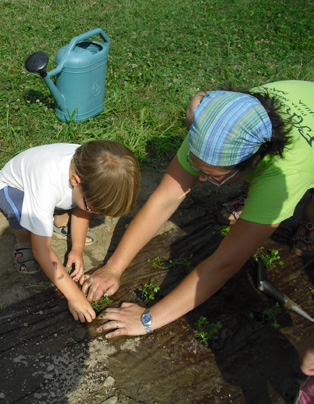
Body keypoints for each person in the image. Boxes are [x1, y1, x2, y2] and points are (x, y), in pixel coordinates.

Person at [81, 80, 313, 337]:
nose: (200, 179)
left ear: (252, 161)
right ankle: (250, 200)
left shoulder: (283, 176)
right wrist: (114, 267)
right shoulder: (215, 128)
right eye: (198, 168)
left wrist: (149, 319)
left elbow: (226, 264)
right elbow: (165, 199)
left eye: (211, 175)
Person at [0, 140, 140, 322]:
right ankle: (23, 242)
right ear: (75, 181)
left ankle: (58, 221)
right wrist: (73, 295)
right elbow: (41, 249)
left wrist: (77, 250)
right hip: (13, 188)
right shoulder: (47, 184)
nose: (96, 213)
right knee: (22, 219)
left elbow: (83, 209)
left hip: (61, 193)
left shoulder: (90, 167)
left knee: (78, 203)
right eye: (95, 209)